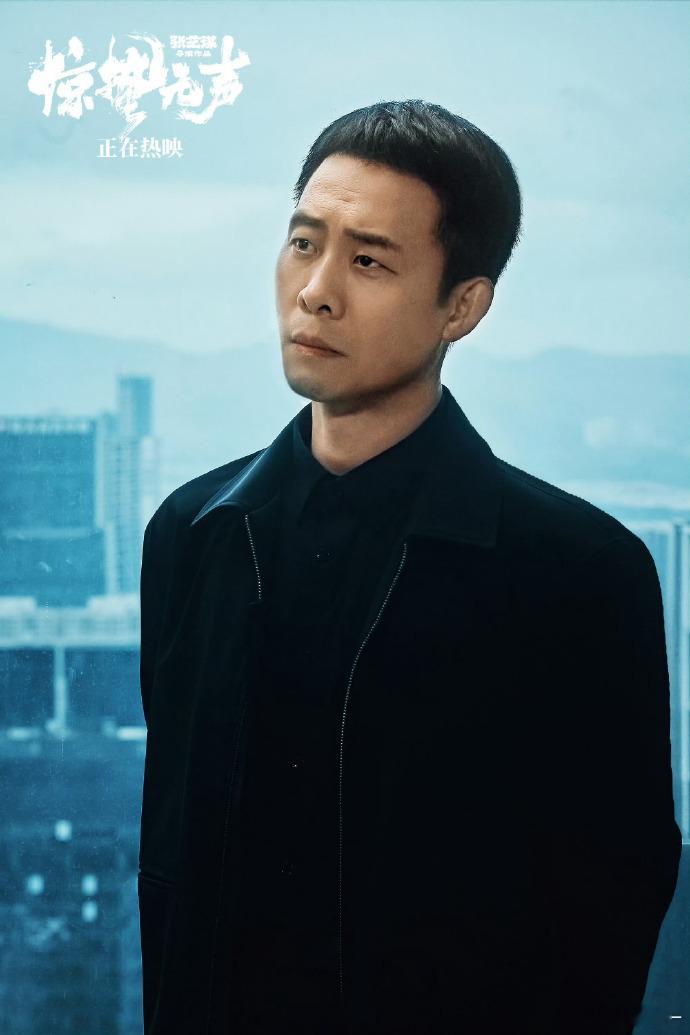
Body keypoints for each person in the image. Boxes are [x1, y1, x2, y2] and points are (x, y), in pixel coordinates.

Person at [136, 99, 681, 1035]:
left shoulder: (579, 572)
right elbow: (172, 858)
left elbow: (615, 892)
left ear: (461, 305)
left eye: (369, 261)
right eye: (304, 243)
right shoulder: (195, 534)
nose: (316, 291)